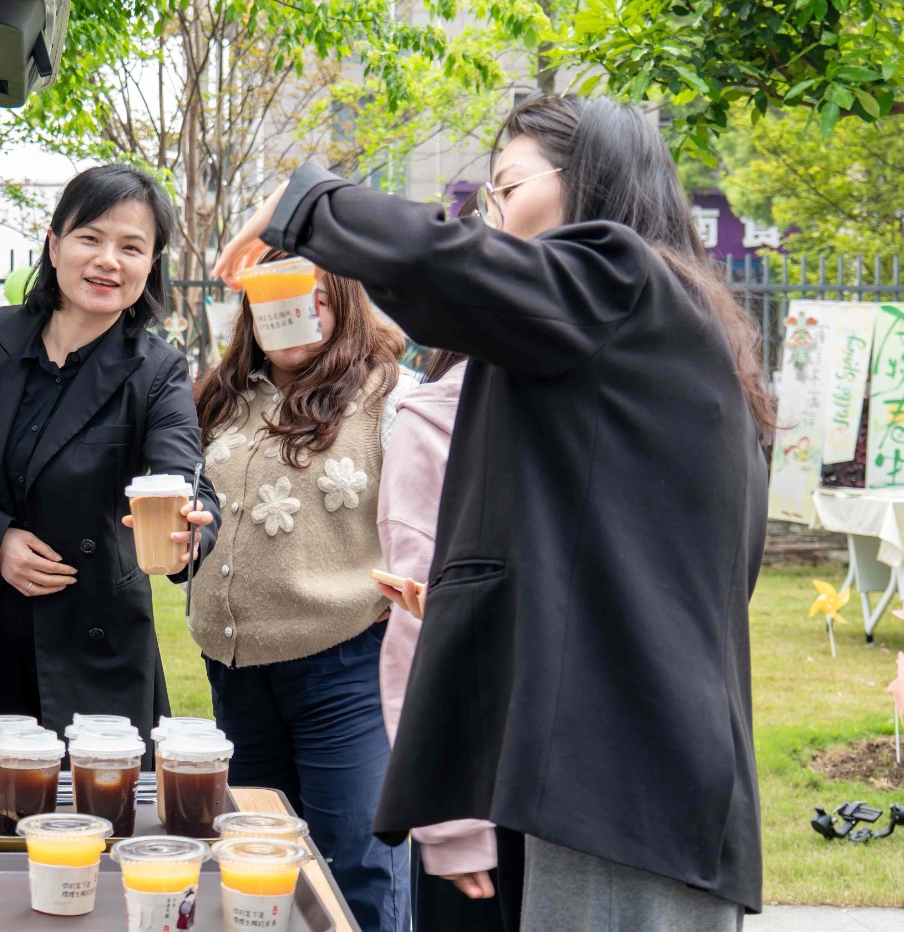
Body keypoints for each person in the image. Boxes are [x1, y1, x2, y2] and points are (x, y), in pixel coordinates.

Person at [216, 94, 770, 930]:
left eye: (506, 188)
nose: (490, 214)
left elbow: (447, 266)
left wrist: (305, 204)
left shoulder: (622, 279)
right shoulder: (654, 325)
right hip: (622, 765)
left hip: (623, 779)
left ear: (589, 181)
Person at [0, 163, 218, 785]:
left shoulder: (157, 371)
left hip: (92, 638)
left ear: (152, 265)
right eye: (90, 238)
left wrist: (189, 531)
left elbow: (185, 478)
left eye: (132, 247)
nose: (108, 261)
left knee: (94, 830)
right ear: (54, 243)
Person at [189, 252, 413, 932]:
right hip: (235, 674)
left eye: (316, 295)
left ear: (345, 302)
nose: (297, 310)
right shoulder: (220, 398)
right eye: (277, 296)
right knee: (259, 867)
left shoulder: (390, 395)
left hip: (346, 669)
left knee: (357, 868)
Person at [377, 349, 526, 932]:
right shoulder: (439, 418)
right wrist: (454, 826)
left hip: (562, 771)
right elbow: (421, 614)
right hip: (487, 771)